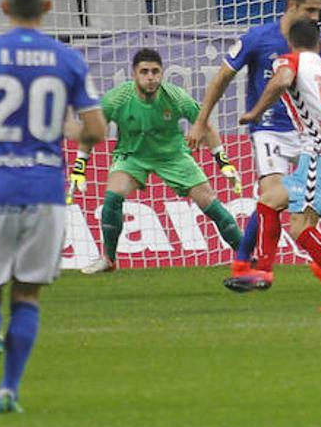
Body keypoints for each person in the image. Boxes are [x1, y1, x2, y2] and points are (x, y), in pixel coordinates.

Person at [0, 0, 106, 413]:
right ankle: (8, 390)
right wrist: (59, 127)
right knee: (28, 295)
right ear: (48, 7)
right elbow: (95, 129)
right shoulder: (68, 59)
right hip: (46, 193)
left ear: (4, 7)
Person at [186, 0, 321, 292]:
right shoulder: (258, 38)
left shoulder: (315, 43)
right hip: (269, 129)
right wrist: (201, 121)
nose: (315, 17)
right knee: (271, 195)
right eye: (310, 9)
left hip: (308, 132)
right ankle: (245, 264)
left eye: (319, 11)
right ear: (291, 6)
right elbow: (222, 78)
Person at [225, 19, 321, 309]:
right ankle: (263, 271)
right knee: (269, 200)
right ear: (319, 44)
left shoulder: (290, 60)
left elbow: (281, 81)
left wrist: (256, 112)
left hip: (320, 157)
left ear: (291, 43)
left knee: (301, 228)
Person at [75, 48, 244, 274]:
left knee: (209, 203)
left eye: (155, 71)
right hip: (132, 156)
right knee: (112, 197)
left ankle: (247, 258)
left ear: (162, 73)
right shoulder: (116, 99)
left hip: (173, 156)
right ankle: (108, 259)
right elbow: (91, 130)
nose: (151, 77)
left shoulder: (175, 96)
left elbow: (205, 125)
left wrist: (223, 162)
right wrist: (80, 166)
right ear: (134, 73)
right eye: (144, 71)